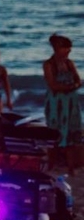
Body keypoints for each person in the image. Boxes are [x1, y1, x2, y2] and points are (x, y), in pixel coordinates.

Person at [43, 33, 81, 175]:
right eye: (66, 48)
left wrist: (73, 86)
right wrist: (71, 87)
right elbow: (53, 85)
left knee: (71, 132)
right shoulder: (49, 64)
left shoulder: (69, 63)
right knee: (55, 132)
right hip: (56, 103)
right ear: (57, 48)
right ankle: (53, 164)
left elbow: (78, 80)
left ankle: (70, 166)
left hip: (71, 103)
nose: (68, 51)